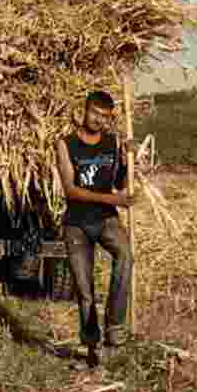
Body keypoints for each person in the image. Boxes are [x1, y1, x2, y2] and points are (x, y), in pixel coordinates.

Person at [54, 91, 135, 369]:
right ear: (84, 111)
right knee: (85, 290)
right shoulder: (66, 144)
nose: (99, 120)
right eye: (94, 113)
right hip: (76, 224)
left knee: (125, 256)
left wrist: (126, 161)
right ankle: (91, 348)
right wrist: (112, 199)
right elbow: (71, 190)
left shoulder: (112, 143)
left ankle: (115, 331)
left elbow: (121, 184)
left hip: (106, 220)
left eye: (105, 116)